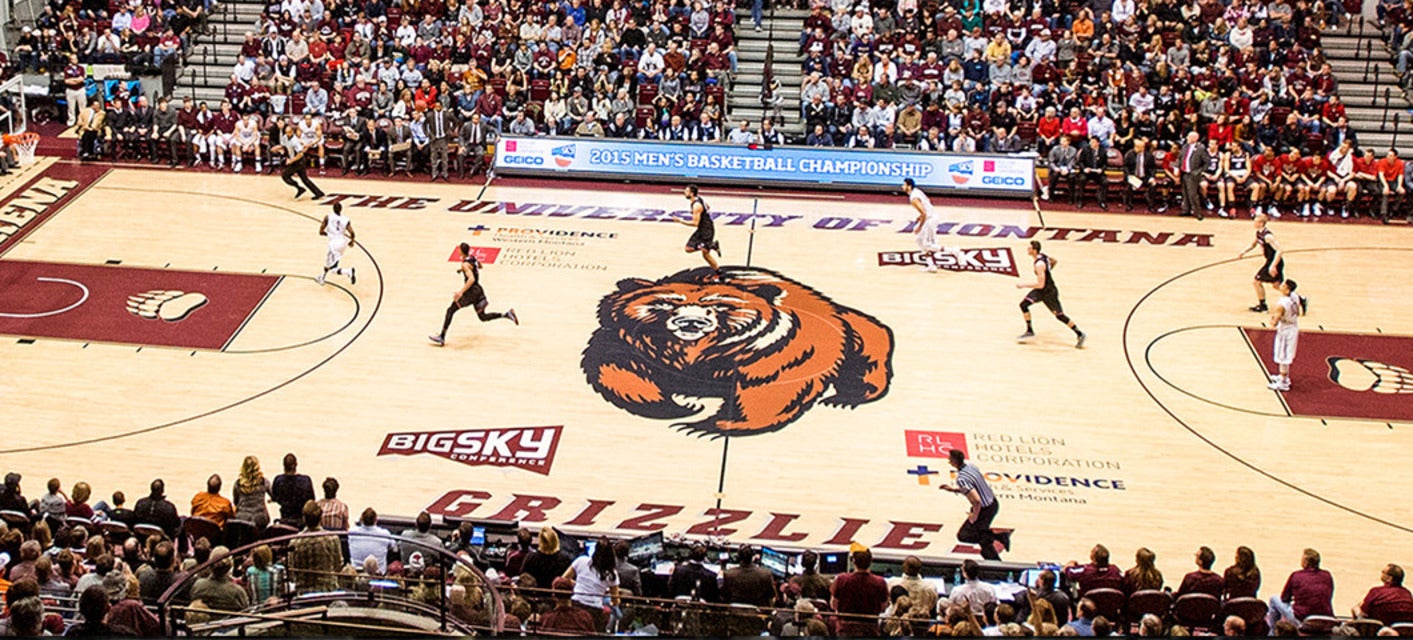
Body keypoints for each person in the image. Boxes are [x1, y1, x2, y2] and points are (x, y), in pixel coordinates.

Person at [428, 242, 519, 346]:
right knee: (482, 317)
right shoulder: (472, 258)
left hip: (470, 293)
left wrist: (460, 292)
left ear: (461, 251)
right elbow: (480, 266)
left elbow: (471, 279)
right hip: (478, 290)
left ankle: (442, 337)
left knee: (451, 310)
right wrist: (463, 270)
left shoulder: (465, 264)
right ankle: (506, 314)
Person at [1015, 240, 1085, 348]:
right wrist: (1048, 271)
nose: (1027, 249)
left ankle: (1080, 334)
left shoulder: (1039, 264)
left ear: (1034, 250)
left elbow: (1040, 285)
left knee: (1059, 316)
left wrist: (1023, 285)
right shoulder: (1043, 256)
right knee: (1024, 305)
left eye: (1029, 248)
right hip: (1042, 290)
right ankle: (1029, 330)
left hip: (1049, 292)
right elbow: (1054, 261)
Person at [941, 448, 1008, 560]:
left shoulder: (962, 479)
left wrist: (974, 516)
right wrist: (953, 490)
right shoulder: (972, 467)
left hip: (983, 509)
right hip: (993, 503)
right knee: (982, 538)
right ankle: (995, 562)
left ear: (954, 461)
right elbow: (973, 487)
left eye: (950, 459)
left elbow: (976, 500)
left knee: (963, 535)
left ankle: (999, 537)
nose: (948, 461)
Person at [1267, 548, 1334, 630]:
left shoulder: (1296, 576)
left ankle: (1272, 633)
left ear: (1305, 562)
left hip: (1303, 620)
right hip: (1326, 620)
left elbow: (1284, 598)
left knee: (1274, 599)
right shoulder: (1327, 575)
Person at [562, 536, 620, 631]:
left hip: (575, 604)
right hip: (595, 611)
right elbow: (616, 601)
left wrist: (576, 584)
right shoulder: (612, 574)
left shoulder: (581, 560)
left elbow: (563, 579)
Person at [831, 548, 888, 636]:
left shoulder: (841, 579)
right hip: (870, 629)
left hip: (845, 629)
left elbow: (833, 605)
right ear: (871, 561)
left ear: (853, 561)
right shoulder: (880, 582)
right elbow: (883, 608)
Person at [677, 184, 721, 278]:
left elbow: (695, 223)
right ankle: (712, 246)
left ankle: (719, 273)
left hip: (706, 230)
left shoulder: (697, 205)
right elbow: (708, 206)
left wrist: (681, 221)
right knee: (690, 249)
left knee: (702, 253)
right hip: (703, 228)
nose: (684, 192)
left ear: (692, 193)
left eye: (687, 191)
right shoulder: (698, 199)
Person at [1266, 279, 1302, 392]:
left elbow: (1274, 322)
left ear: (1287, 290)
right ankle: (1283, 377)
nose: (1281, 286)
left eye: (1283, 286)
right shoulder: (1295, 296)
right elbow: (1299, 312)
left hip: (1286, 330)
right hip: (1293, 326)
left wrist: (1272, 320)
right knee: (1284, 355)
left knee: (1282, 355)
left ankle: (1283, 382)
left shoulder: (1283, 304)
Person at [280, 122, 325, 199]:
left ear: (293, 132)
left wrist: (291, 161)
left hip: (299, 161)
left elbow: (300, 154)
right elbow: (284, 147)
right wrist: (278, 149)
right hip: (295, 160)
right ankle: (319, 193)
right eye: (286, 132)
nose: (288, 134)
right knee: (304, 179)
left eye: (289, 132)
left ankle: (299, 188)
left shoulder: (295, 141)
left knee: (285, 175)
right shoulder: (284, 137)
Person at [316, 202, 356, 286]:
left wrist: (327, 233)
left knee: (332, 268)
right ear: (341, 209)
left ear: (333, 208)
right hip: (343, 243)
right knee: (330, 263)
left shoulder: (328, 217)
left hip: (333, 244)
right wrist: (352, 241)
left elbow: (320, 232)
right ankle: (321, 277)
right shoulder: (345, 219)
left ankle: (348, 271)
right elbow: (352, 233)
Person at [270, 453, 315, 526]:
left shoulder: (278, 480)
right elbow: (311, 499)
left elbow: (275, 498)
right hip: (301, 521)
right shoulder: (305, 481)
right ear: (296, 464)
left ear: (283, 465)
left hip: (284, 519)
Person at [348, 507, 396, 573]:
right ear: (376, 520)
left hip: (356, 573)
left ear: (361, 520)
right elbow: (394, 547)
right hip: (378, 575)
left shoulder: (352, 532)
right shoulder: (384, 534)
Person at [232, 455, 271, 530]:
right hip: (260, 518)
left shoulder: (238, 484)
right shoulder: (264, 482)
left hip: (242, 518)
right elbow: (274, 495)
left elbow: (236, 502)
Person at [1178, 131, 1210, 220]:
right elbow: (1180, 157)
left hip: (1193, 174)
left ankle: (1197, 212)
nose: (1187, 138)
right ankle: (1186, 210)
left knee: (1193, 194)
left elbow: (1207, 162)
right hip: (1184, 172)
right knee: (1185, 193)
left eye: (1188, 137)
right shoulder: (1185, 146)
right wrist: (1177, 168)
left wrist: (1199, 172)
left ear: (1194, 138)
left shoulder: (1201, 148)